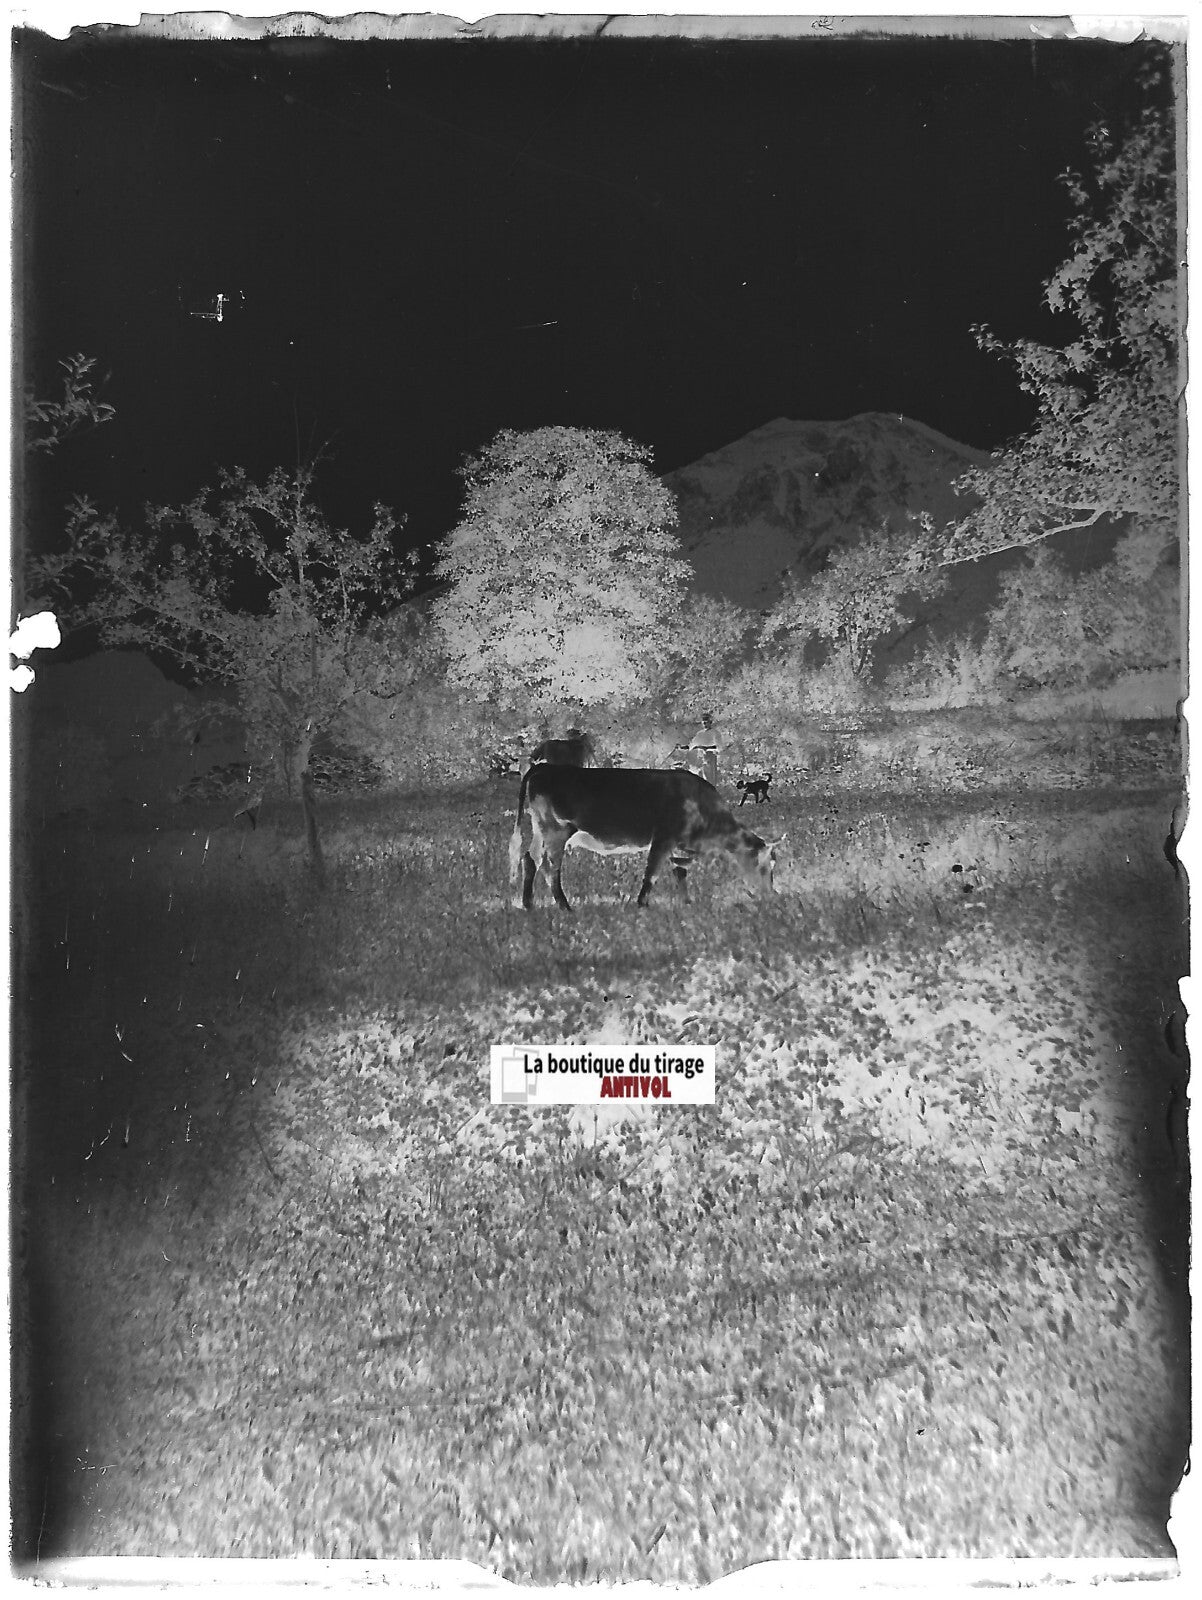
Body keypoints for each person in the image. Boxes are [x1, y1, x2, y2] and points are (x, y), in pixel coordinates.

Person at [688, 711, 719, 787]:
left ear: (710, 722)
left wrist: (706, 748)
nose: (705, 724)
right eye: (703, 723)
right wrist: (681, 747)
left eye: (706, 722)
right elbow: (691, 746)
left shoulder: (715, 733)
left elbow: (719, 747)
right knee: (697, 778)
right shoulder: (700, 734)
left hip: (710, 757)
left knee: (709, 780)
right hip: (700, 758)